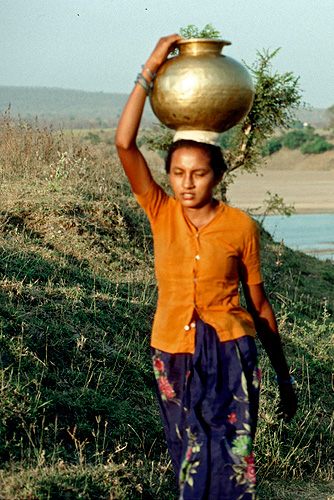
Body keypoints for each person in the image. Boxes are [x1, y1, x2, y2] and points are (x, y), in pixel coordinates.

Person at [115, 35, 297, 500]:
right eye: (178, 173)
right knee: (188, 457)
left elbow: (258, 303)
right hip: (172, 350)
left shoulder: (240, 227)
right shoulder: (160, 211)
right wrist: (150, 68)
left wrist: (283, 374)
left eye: (198, 173)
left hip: (232, 351)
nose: (187, 183)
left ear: (217, 174)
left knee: (234, 460)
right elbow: (124, 143)